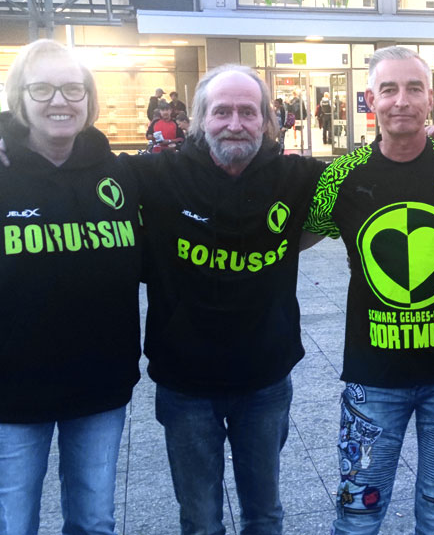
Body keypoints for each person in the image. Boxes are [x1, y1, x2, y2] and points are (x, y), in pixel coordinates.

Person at [302, 46, 434, 534]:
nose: (401, 100)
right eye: (388, 89)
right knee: (357, 515)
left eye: (414, 88)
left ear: (431, 98)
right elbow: (295, 237)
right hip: (373, 376)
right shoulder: (341, 176)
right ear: (371, 99)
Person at [135, 65, 326, 535]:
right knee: (200, 520)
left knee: (264, 514)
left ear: (267, 121)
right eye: (222, 112)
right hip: (185, 384)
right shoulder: (157, 175)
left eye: (248, 112)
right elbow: (79, 170)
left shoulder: (296, 177)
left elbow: (374, 171)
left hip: (264, 380)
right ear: (199, 120)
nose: (235, 124)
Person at [0, 39, 141, 535]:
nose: (59, 101)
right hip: (12, 393)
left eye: (71, 89)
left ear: (88, 98)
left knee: (94, 521)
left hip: (99, 386)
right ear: (19, 98)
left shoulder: (120, 173)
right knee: (13, 525)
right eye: (41, 89)